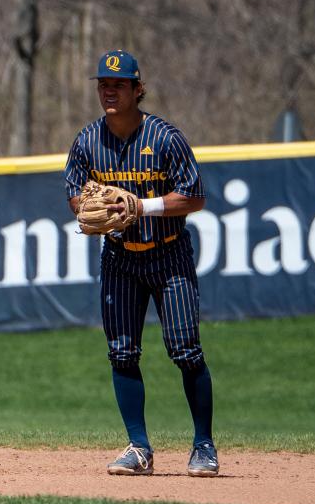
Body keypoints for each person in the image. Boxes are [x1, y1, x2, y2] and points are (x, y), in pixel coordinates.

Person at [63, 49, 218, 477]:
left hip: (169, 254)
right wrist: (89, 209)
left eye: (118, 84)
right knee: (122, 352)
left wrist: (141, 206)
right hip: (119, 258)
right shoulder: (88, 141)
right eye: (103, 85)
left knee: (186, 350)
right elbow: (76, 194)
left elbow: (195, 195)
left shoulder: (166, 138)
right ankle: (138, 447)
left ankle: (203, 445)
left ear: (137, 89)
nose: (109, 91)